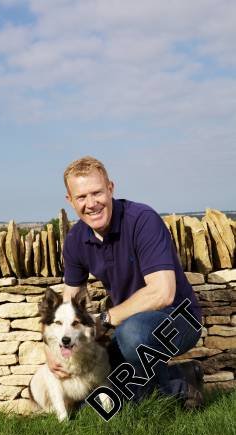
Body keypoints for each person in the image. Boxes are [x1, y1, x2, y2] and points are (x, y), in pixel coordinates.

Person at [46, 156, 203, 409]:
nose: (91, 204)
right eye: (81, 197)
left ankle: (180, 389)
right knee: (97, 405)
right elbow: (66, 304)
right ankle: (181, 377)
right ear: (70, 201)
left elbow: (163, 293)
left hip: (178, 318)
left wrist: (104, 320)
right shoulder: (75, 239)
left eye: (96, 193)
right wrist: (51, 348)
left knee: (132, 335)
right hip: (130, 324)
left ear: (111, 188)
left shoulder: (142, 220)